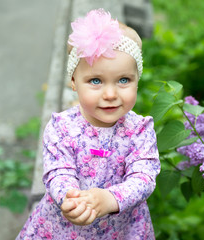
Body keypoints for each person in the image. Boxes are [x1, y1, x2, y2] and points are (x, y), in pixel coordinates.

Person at [17, 9, 160, 240]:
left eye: (124, 80)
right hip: (63, 228)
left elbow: (143, 177)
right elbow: (58, 171)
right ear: (74, 81)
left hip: (121, 229)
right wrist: (71, 199)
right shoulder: (62, 127)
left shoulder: (140, 130)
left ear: (137, 79)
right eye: (96, 81)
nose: (111, 94)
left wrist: (110, 199)